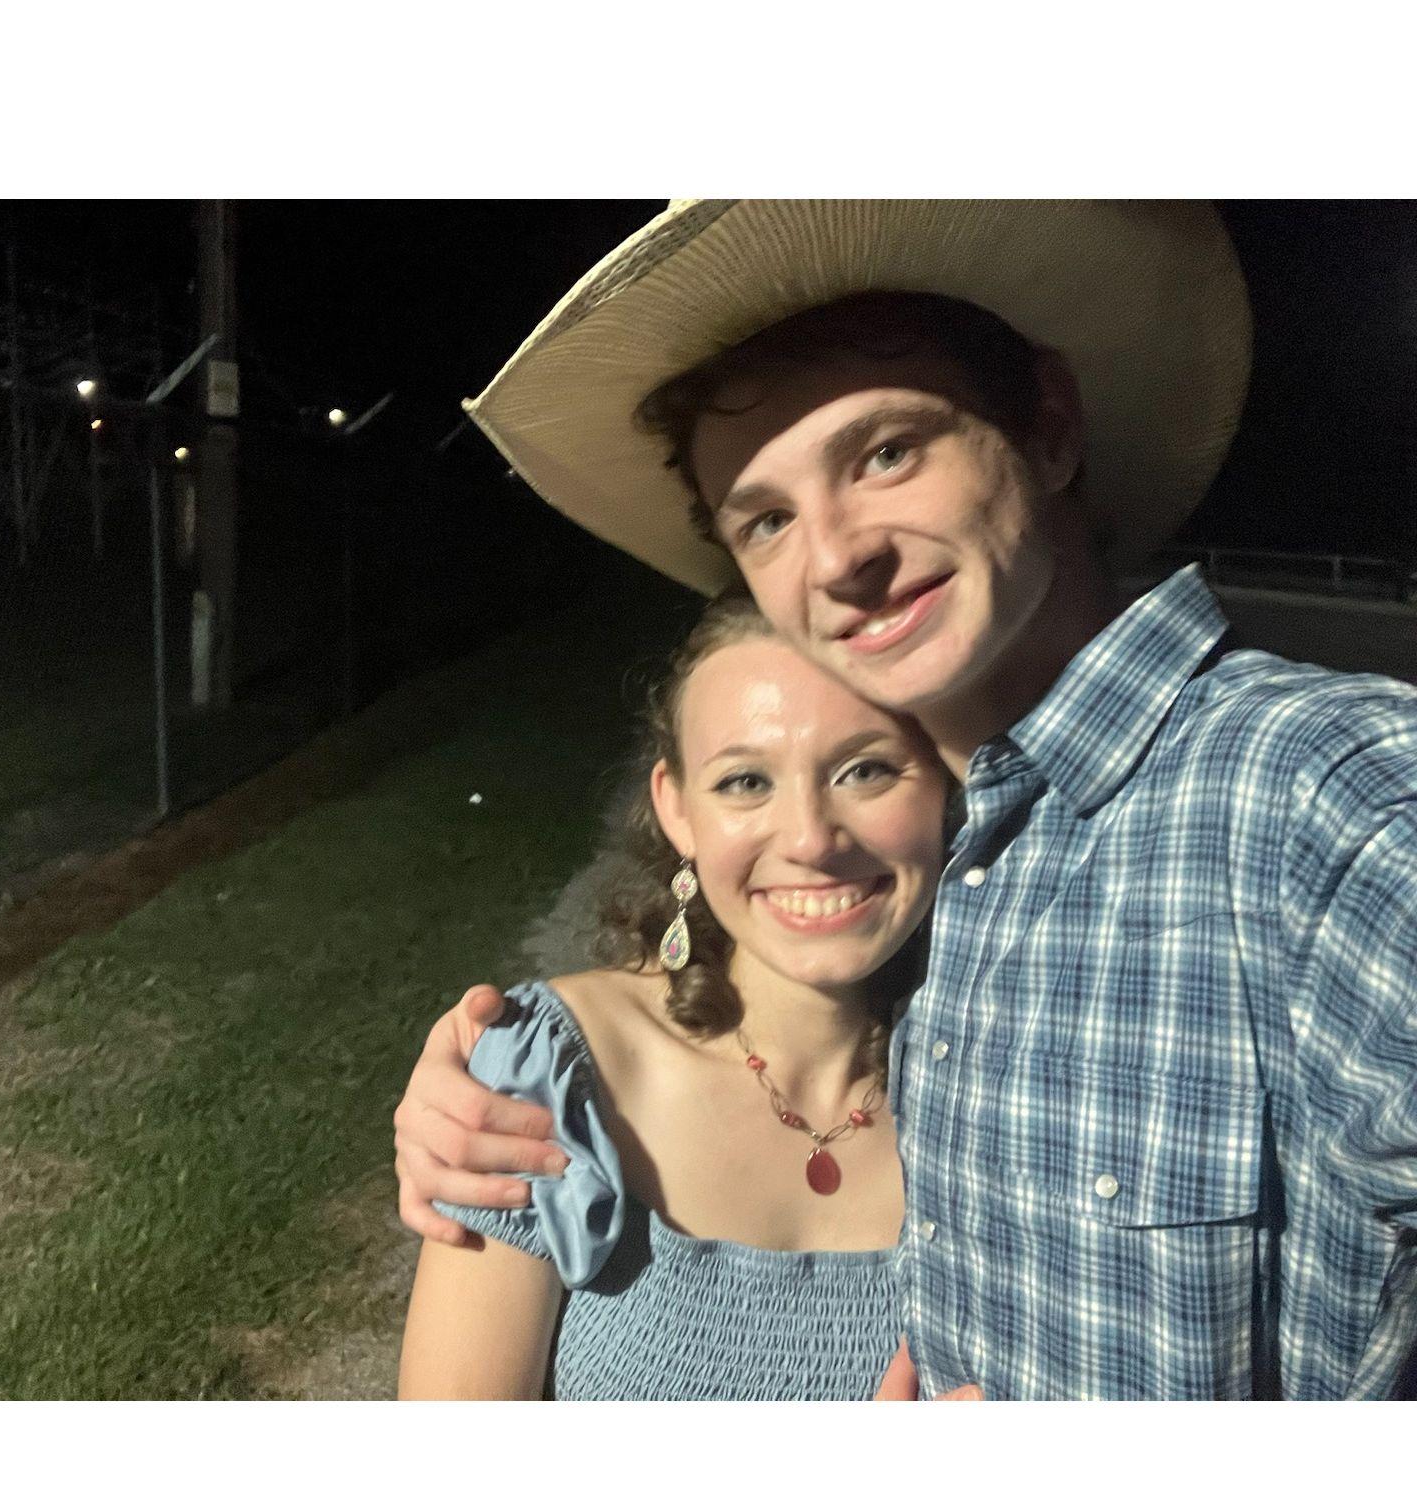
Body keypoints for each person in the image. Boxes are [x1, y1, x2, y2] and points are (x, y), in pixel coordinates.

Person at [394, 201, 1417, 1400]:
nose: (834, 558)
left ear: (1049, 423)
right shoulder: (973, 891)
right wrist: (502, 1070)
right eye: (765, 518)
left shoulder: (1328, 801)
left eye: (884, 451)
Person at [399, 595, 959, 1399]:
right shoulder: (556, 1073)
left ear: (945, 781)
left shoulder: (1010, 1091)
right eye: (744, 781)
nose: (809, 838)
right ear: (677, 808)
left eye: (864, 768)